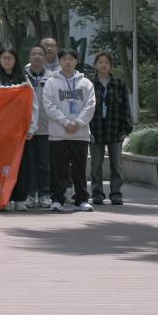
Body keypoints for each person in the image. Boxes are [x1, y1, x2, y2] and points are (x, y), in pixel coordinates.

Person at [42, 49, 96, 212]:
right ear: (59, 61)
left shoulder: (86, 83)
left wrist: (78, 122)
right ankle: (57, 199)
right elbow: (49, 105)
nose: (67, 62)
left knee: (79, 168)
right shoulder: (51, 82)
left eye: (71, 59)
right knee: (59, 169)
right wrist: (65, 122)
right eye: (64, 59)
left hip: (80, 134)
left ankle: (82, 199)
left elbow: (90, 105)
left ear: (76, 61)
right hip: (58, 134)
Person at [0, 46, 36, 211]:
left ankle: (20, 198)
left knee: (22, 165)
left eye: (10, 58)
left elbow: (33, 103)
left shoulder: (23, 77)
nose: (7, 61)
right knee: (2, 165)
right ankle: (4, 198)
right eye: (4, 58)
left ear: (16, 60)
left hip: (20, 129)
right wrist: (18, 89)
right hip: (0, 130)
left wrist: (32, 126)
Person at [88, 52, 131, 206]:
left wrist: (126, 127)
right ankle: (97, 193)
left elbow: (126, 106)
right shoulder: (89, 84)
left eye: (106, 62)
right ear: (95, 65)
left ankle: (116, 193)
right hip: (96, 128)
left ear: (111, 65)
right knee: (96, 164)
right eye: (100, 62)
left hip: (115, 128)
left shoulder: (119, 84)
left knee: (116, 164)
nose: (103, 65)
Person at [23, 45, 52, 207]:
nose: (37, 57)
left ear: (45, 58)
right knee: (29, 164)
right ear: (29, 57)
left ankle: (44, 194)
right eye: (34, 54)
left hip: (46, 128)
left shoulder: (52, 77)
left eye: (40, 54)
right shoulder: (21, 76)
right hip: (27, 129)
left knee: (44, 164)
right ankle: (29, 194)